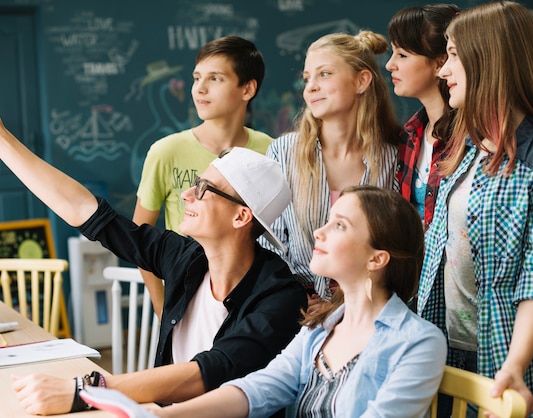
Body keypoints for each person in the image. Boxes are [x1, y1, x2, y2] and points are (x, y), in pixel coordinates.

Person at [0, 76, 307, 416]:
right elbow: (88, 213)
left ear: (241, 216)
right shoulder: (187, 258)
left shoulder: (280, 296)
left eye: (204, 189)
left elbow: (209, 371)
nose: (186, 194)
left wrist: (87, 389)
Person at [79, 186, 448, 418]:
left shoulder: (418, 342)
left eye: (340, 226)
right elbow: (254, 391)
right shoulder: (320, 330)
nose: (318, 232)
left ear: (376, 259)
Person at [418, 2, 533, 416]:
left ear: (488, 59)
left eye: (453, 55)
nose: (442, 70)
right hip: (451, 351)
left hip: (508, 360)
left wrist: (515, 364)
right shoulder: (468, 147)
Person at [133, 35, 273, 318]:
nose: (200, 89)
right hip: (187, 298)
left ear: (247, 88)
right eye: (197, 78)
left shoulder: (271, 151)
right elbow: (140, 237)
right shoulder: (166, 151)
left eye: (215, 79)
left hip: (254, 299)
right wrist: (163, 307)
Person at [259, 31, 401, 308]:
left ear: (361, 80)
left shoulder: (392, 158)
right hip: (295, 312)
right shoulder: (283, 152)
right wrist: (297, 297)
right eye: (307, 78)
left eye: (324, 74)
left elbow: (396, 246)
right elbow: (268, 244)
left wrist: (348, 302)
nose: (310, 87)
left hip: (369, 311)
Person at [385, 3, 459, 231]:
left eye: (402, 55)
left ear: (440, 63)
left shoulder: (470, 140)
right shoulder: (410, 134)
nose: (389, 65)